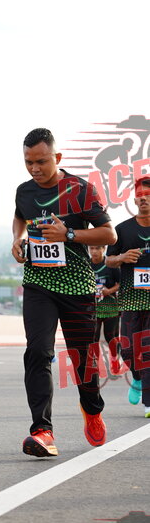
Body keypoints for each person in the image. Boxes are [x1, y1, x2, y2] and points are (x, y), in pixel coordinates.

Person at [12, 128, 116, 458]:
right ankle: (42, 431)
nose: (34, 168)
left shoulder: (80, 190)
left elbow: (109, 235)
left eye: (41, 162)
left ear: (57, 158)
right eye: (28, 162)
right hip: (38, 284)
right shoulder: (24, 191)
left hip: (77, 286)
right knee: (37, 352)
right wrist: (17, 239)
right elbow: (20, 217)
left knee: (83, 359)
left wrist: (68, 234)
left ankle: (92, 408)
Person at [106, 176, 150, 415]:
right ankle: (137, 377)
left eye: (148, 195)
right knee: (129, 351)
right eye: (140, 195)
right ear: (134, 199)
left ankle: (148, 403)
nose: (143, 199)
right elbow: (108, 260)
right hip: (131, 299)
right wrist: (122, 258)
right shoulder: (122, 229)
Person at [89, 244, 121, 375]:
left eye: (97, 248)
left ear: (104, 249)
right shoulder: (86, 264)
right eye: (91, 248)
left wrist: (109, 291)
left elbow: (121, 283)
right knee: (93, 337)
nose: (94, 251)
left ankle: (114, 359)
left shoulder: (111, 265)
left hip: (110, 307)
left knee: (110, 337)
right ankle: (95, 363)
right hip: (92, 307)